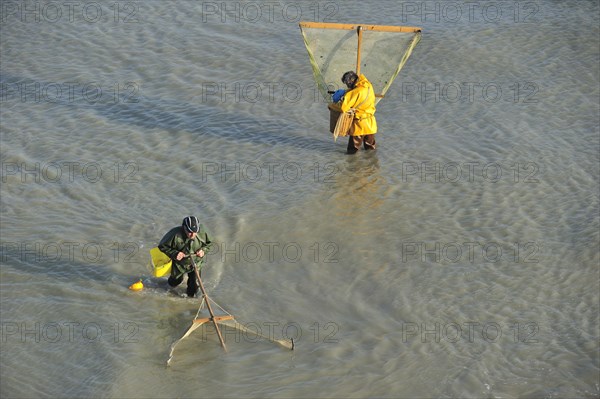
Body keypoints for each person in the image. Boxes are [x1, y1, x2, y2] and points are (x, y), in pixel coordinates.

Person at [158, 216, 213, 297]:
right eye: (190, 232)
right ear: (184, 228)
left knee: (194, 287)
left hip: (196, 262)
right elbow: (162, 246)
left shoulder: (203, 232)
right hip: (179, 264)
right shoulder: (175, 234)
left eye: (195, 232)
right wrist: (174, 253)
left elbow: (210, 244)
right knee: (174, 283)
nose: (193, 235)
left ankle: (190, 302)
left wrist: (203, 251)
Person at [337, 71, 378, 154]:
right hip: (370, 124)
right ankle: (371, 165)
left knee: (352, 151)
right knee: (370, 149)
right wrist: (349, 91)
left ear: (350, 81)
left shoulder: (356, 92)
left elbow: (344, 108)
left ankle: (352, 166)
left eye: (347, 83)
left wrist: (342, 97)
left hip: (359, 125)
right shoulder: (368, 85)